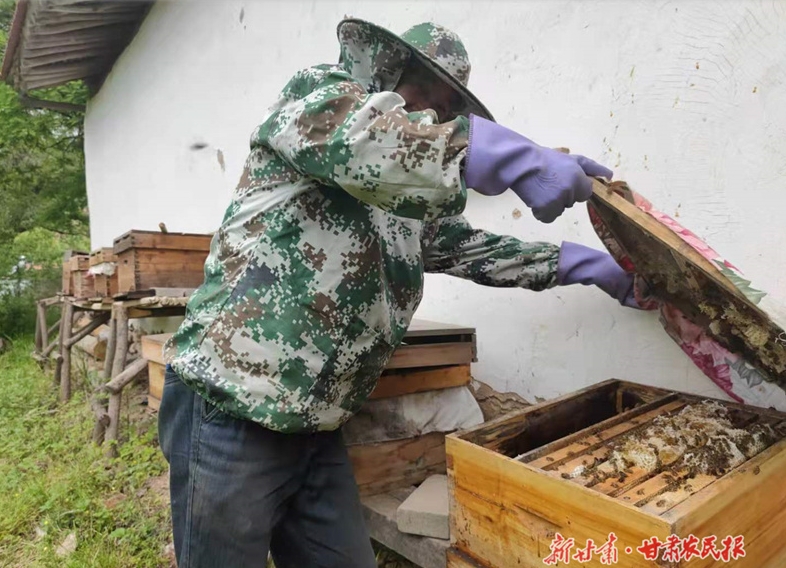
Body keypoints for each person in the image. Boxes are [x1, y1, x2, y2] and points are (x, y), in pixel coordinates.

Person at [158, 18, 640, 568]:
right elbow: (368, 141)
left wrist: (582, 265)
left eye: (445, 111)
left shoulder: (403, 205)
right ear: (388, 72)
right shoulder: (321, 97)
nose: (432, 119)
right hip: (234, 408)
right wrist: (511, 156)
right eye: (425, 99)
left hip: (319, 424)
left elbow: (471, 249)